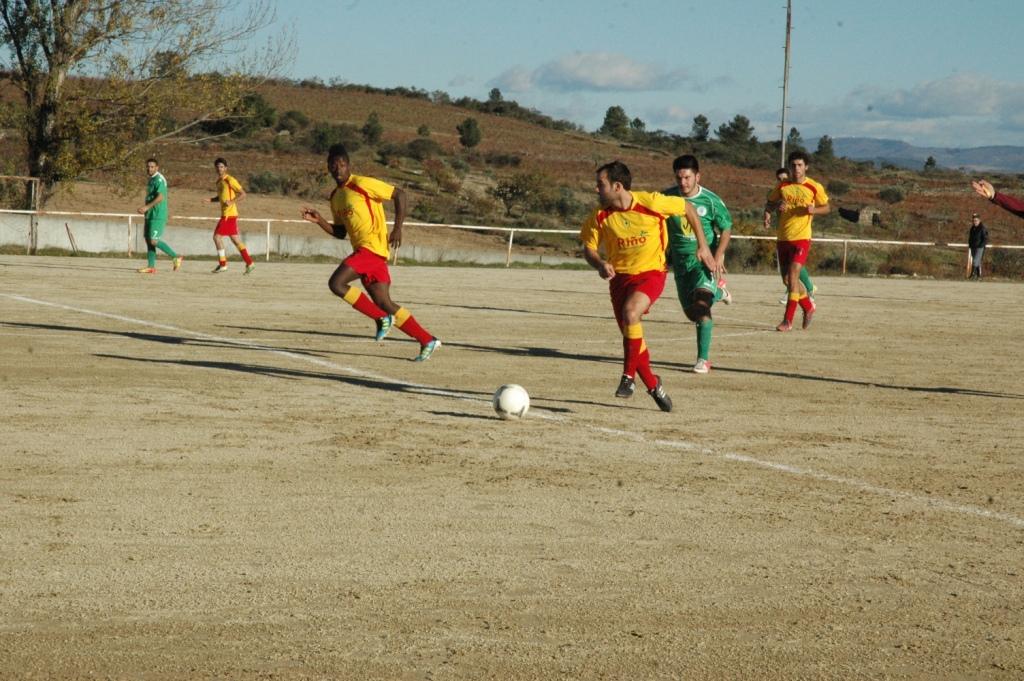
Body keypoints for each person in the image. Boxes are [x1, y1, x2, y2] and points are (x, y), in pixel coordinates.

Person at [580, 160, 718, 411]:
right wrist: (599, 263)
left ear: (617, 186)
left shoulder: (651, 202)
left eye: (601, 184)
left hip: (651, 274)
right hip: (620, 280)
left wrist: (703, 245)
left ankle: (628, 377)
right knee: (634, 337)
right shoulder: (599, 216)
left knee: (631, 313)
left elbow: (687, 207)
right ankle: (654, 385)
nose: (596, 189)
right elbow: (588, 249)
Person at [300, 144, 440, 361]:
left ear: (348, 166)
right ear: (328, 167)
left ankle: (381, 318)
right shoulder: (335, 196)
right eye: (333, 165)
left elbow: (400, 195)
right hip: (366, 253)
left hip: (372, 248)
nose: (338, 169)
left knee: (336, 284)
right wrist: (319, 221)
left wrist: (398, 228)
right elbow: (340, 232)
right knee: (385, 303)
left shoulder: (362, 183)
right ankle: (427, 339)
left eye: (342, 165)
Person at [662, 155, 732, 374]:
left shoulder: (710, 201)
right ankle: (719, 293)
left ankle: (703, 360)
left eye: (687, 177)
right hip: (681, 266)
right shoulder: (665, 197)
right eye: (679, 177)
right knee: (692, 314)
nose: (683, 182)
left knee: (702, 307)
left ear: (697, 177)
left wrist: (719, 254)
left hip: (704, 262)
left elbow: (726, 228)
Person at [763, 150, 830, 331]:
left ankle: (787, 320)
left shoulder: (814, 187)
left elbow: (827, 207)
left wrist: (813, 210)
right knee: (787, 280)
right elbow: (770, 203)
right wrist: (771, 210)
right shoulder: (783, 186)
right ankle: (808, 307)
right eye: (793, 165)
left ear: (806, 167)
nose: (796, 168)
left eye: (800, 165)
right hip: (783, 237)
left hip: (802, 238)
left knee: (793, 275)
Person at [773, 166, 817, 304]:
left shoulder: (805, 190)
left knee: (794, 267)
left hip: (800, 235)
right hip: (784, 235)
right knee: (789, 272)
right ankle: (805, 291)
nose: (782, 181)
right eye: (779, 179)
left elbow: (811, 209)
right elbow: (772, 207)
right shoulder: (780, 193)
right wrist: (770, 212)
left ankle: (806, 291)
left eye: (784, 178)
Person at [206, 158, 256, 274]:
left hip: (229, 214)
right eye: (218, 167)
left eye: (222, 167)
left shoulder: (230, 180)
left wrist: (232, 202)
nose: (219, 169)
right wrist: (210, 200)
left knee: (216, 237)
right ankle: (250, 263)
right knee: (235, 240)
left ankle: (223, 264)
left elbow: (243, 194)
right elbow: (221, 197)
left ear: (226, 168)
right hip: (227, 214)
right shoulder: (219, 182)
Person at [136, 158, 182, 274]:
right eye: (148, 166)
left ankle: (175, 257)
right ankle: (151, 267)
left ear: (157, 167)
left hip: (158, 214)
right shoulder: (151, 179)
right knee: (148, 240)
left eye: (152, 166)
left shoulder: (159, 179)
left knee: (154, 241)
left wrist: (147, 207)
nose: (149, 168)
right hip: (150, 214)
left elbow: (161, 197)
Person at [967, 212, 988, 280]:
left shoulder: (982, 228)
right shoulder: (972, 228)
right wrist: (970, 244)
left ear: (979, 220)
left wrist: (981, 245)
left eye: (976, 220)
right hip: (973, 247)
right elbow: (970, 237)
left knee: (975, 261)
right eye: (973, 220)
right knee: (977, 261)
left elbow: (985, 238)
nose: (974, 222)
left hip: (980, 247)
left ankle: (972, 274)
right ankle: (979, 276)